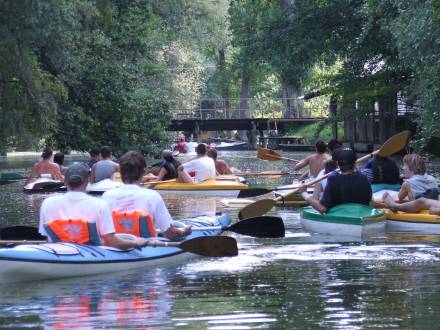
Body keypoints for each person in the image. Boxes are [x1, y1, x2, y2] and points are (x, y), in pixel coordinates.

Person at [39, 162, 147, 249]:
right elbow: (112, 241)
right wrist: (135, 243)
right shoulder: (100, 204)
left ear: (65, 182)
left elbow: (46, 237)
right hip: (92, 253)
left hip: (57, 252)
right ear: (87, 181)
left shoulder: (47, 203)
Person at [101, 151, 191, 239]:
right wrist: (183, 231)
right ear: (143, 172)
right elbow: (169, 234)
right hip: (146, 246)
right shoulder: (152, 196)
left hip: (115, 245)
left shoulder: (106, 195)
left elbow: (102, 229)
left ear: (120, 172)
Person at [300, 148, 372, 213]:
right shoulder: (364, 178)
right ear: (355, 163)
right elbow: (371, 203)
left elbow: (322, 208)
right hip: (363, 215)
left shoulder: (333, 180)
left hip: (339, 217)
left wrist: (304, 193)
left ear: (338, 164)